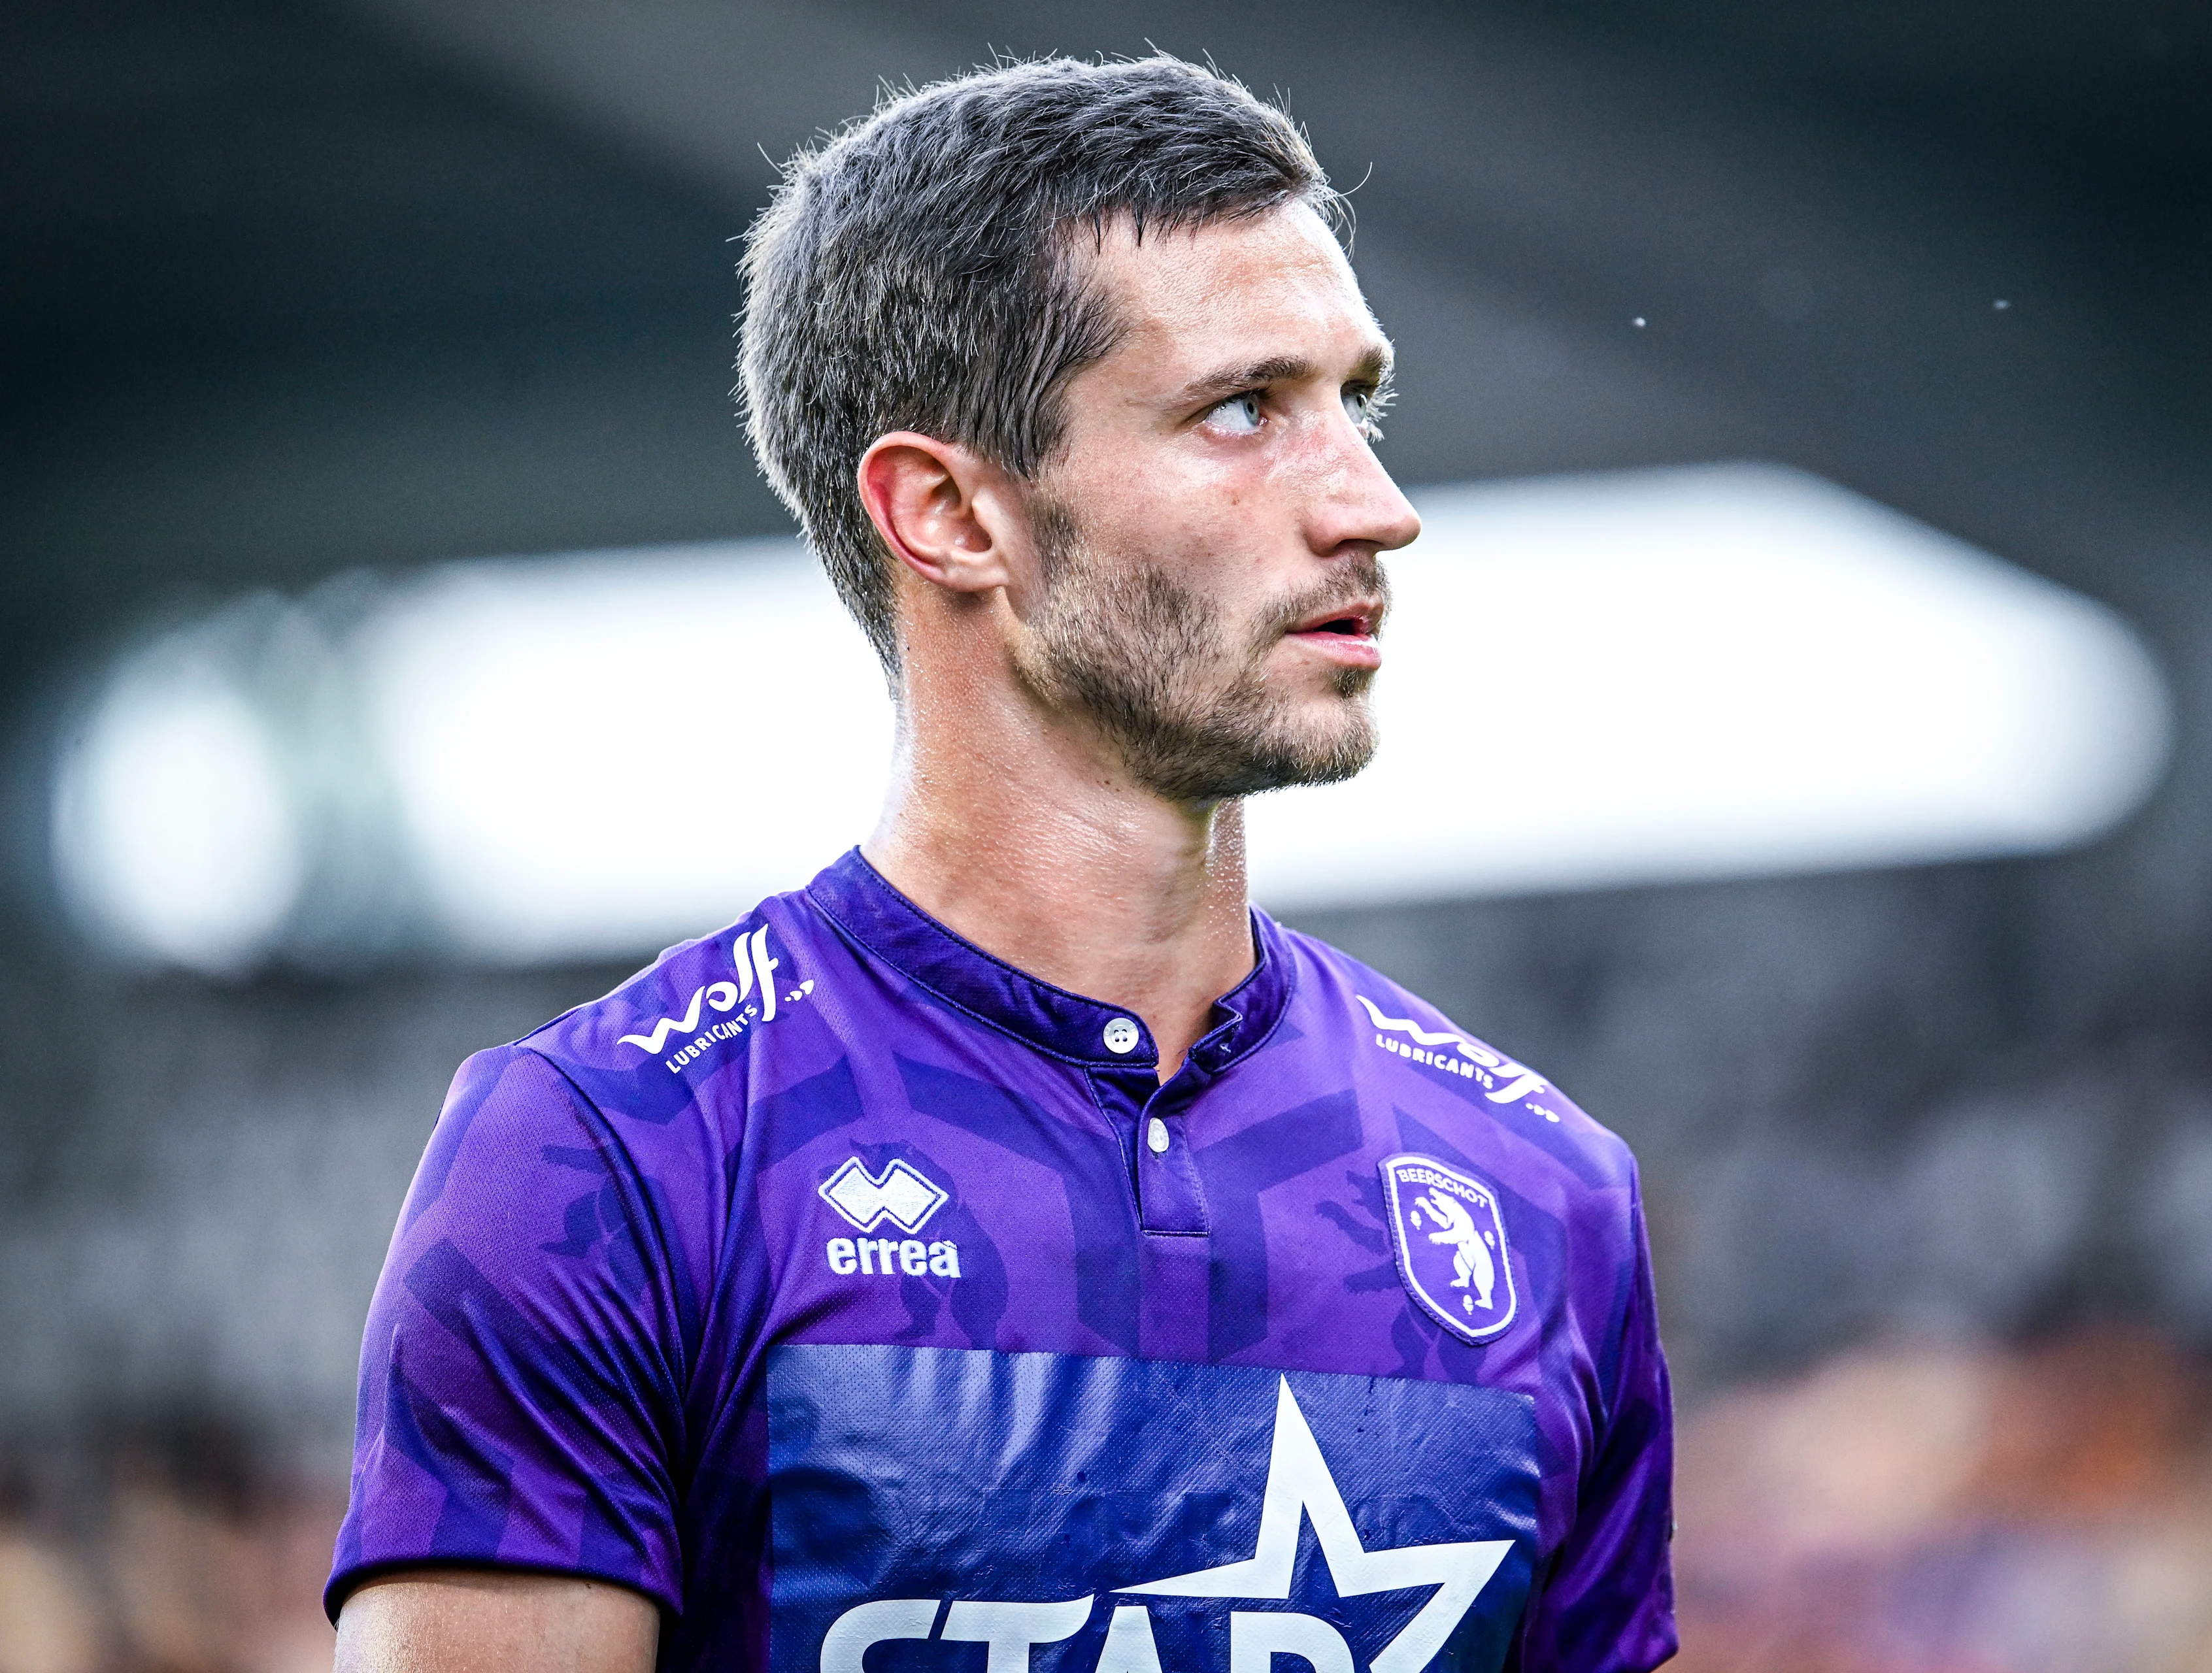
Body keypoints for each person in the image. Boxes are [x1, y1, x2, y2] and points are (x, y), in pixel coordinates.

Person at [327, 55, 1675, 1673]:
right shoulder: (613, 1155)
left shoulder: (1545, 1191)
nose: (1373, 506)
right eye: (1244, 409)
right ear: (953, 514)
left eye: (1355, 402)